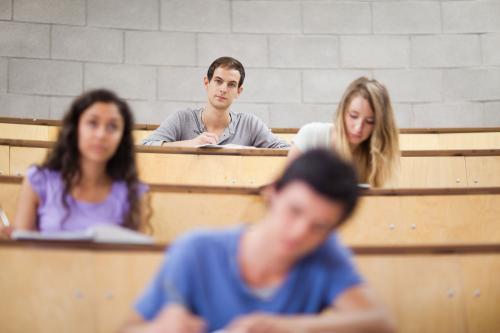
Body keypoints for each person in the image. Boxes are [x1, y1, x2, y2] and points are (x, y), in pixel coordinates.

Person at [121, 150, 395, 333]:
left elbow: (382, 323)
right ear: (272, 193)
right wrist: (156, 330)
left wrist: (286, 327)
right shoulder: (195, 251)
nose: (300, 232)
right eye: (295, 210)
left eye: (320, 226)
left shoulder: (324, 253)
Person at [13, 89, 150, 232]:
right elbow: (21, 250)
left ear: (122, 138)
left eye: (112, 126)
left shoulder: (132, 192)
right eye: (92, 123)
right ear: (75, 129)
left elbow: (135, 253)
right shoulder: (39, 181)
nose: (101, 135)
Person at [141, 56, 290, 149]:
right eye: (218, 81)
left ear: (239, 91)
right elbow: (146, 146)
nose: (223, 89)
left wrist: (245, 151)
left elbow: (285, 148)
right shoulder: (182, 118)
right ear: (207, 83)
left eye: (231, 84)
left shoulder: (249, 123)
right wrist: (191, 144)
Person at [288, 77, 400, 187]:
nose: (358, 128)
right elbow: (287, 189)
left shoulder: (375, 154)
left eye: (370, 121)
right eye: (353, 116)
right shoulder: (311, 136)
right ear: (342, 111)